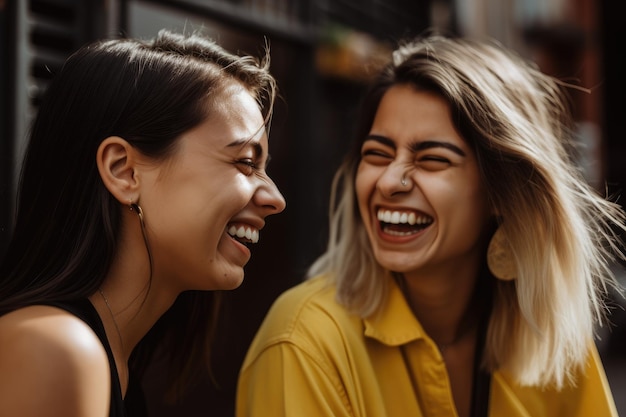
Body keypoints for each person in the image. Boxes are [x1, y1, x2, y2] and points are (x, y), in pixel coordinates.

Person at [236, 33, 626, 417]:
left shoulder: (550, 337)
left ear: (501, 192)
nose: (389, 181)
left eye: (433, 159)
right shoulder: (304, 344)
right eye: (377, 154)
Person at [0, 29, 285, 417]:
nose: (275, 199)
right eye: (245, 163)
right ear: (124, 171)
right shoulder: (56, 349)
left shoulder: (109, 361)